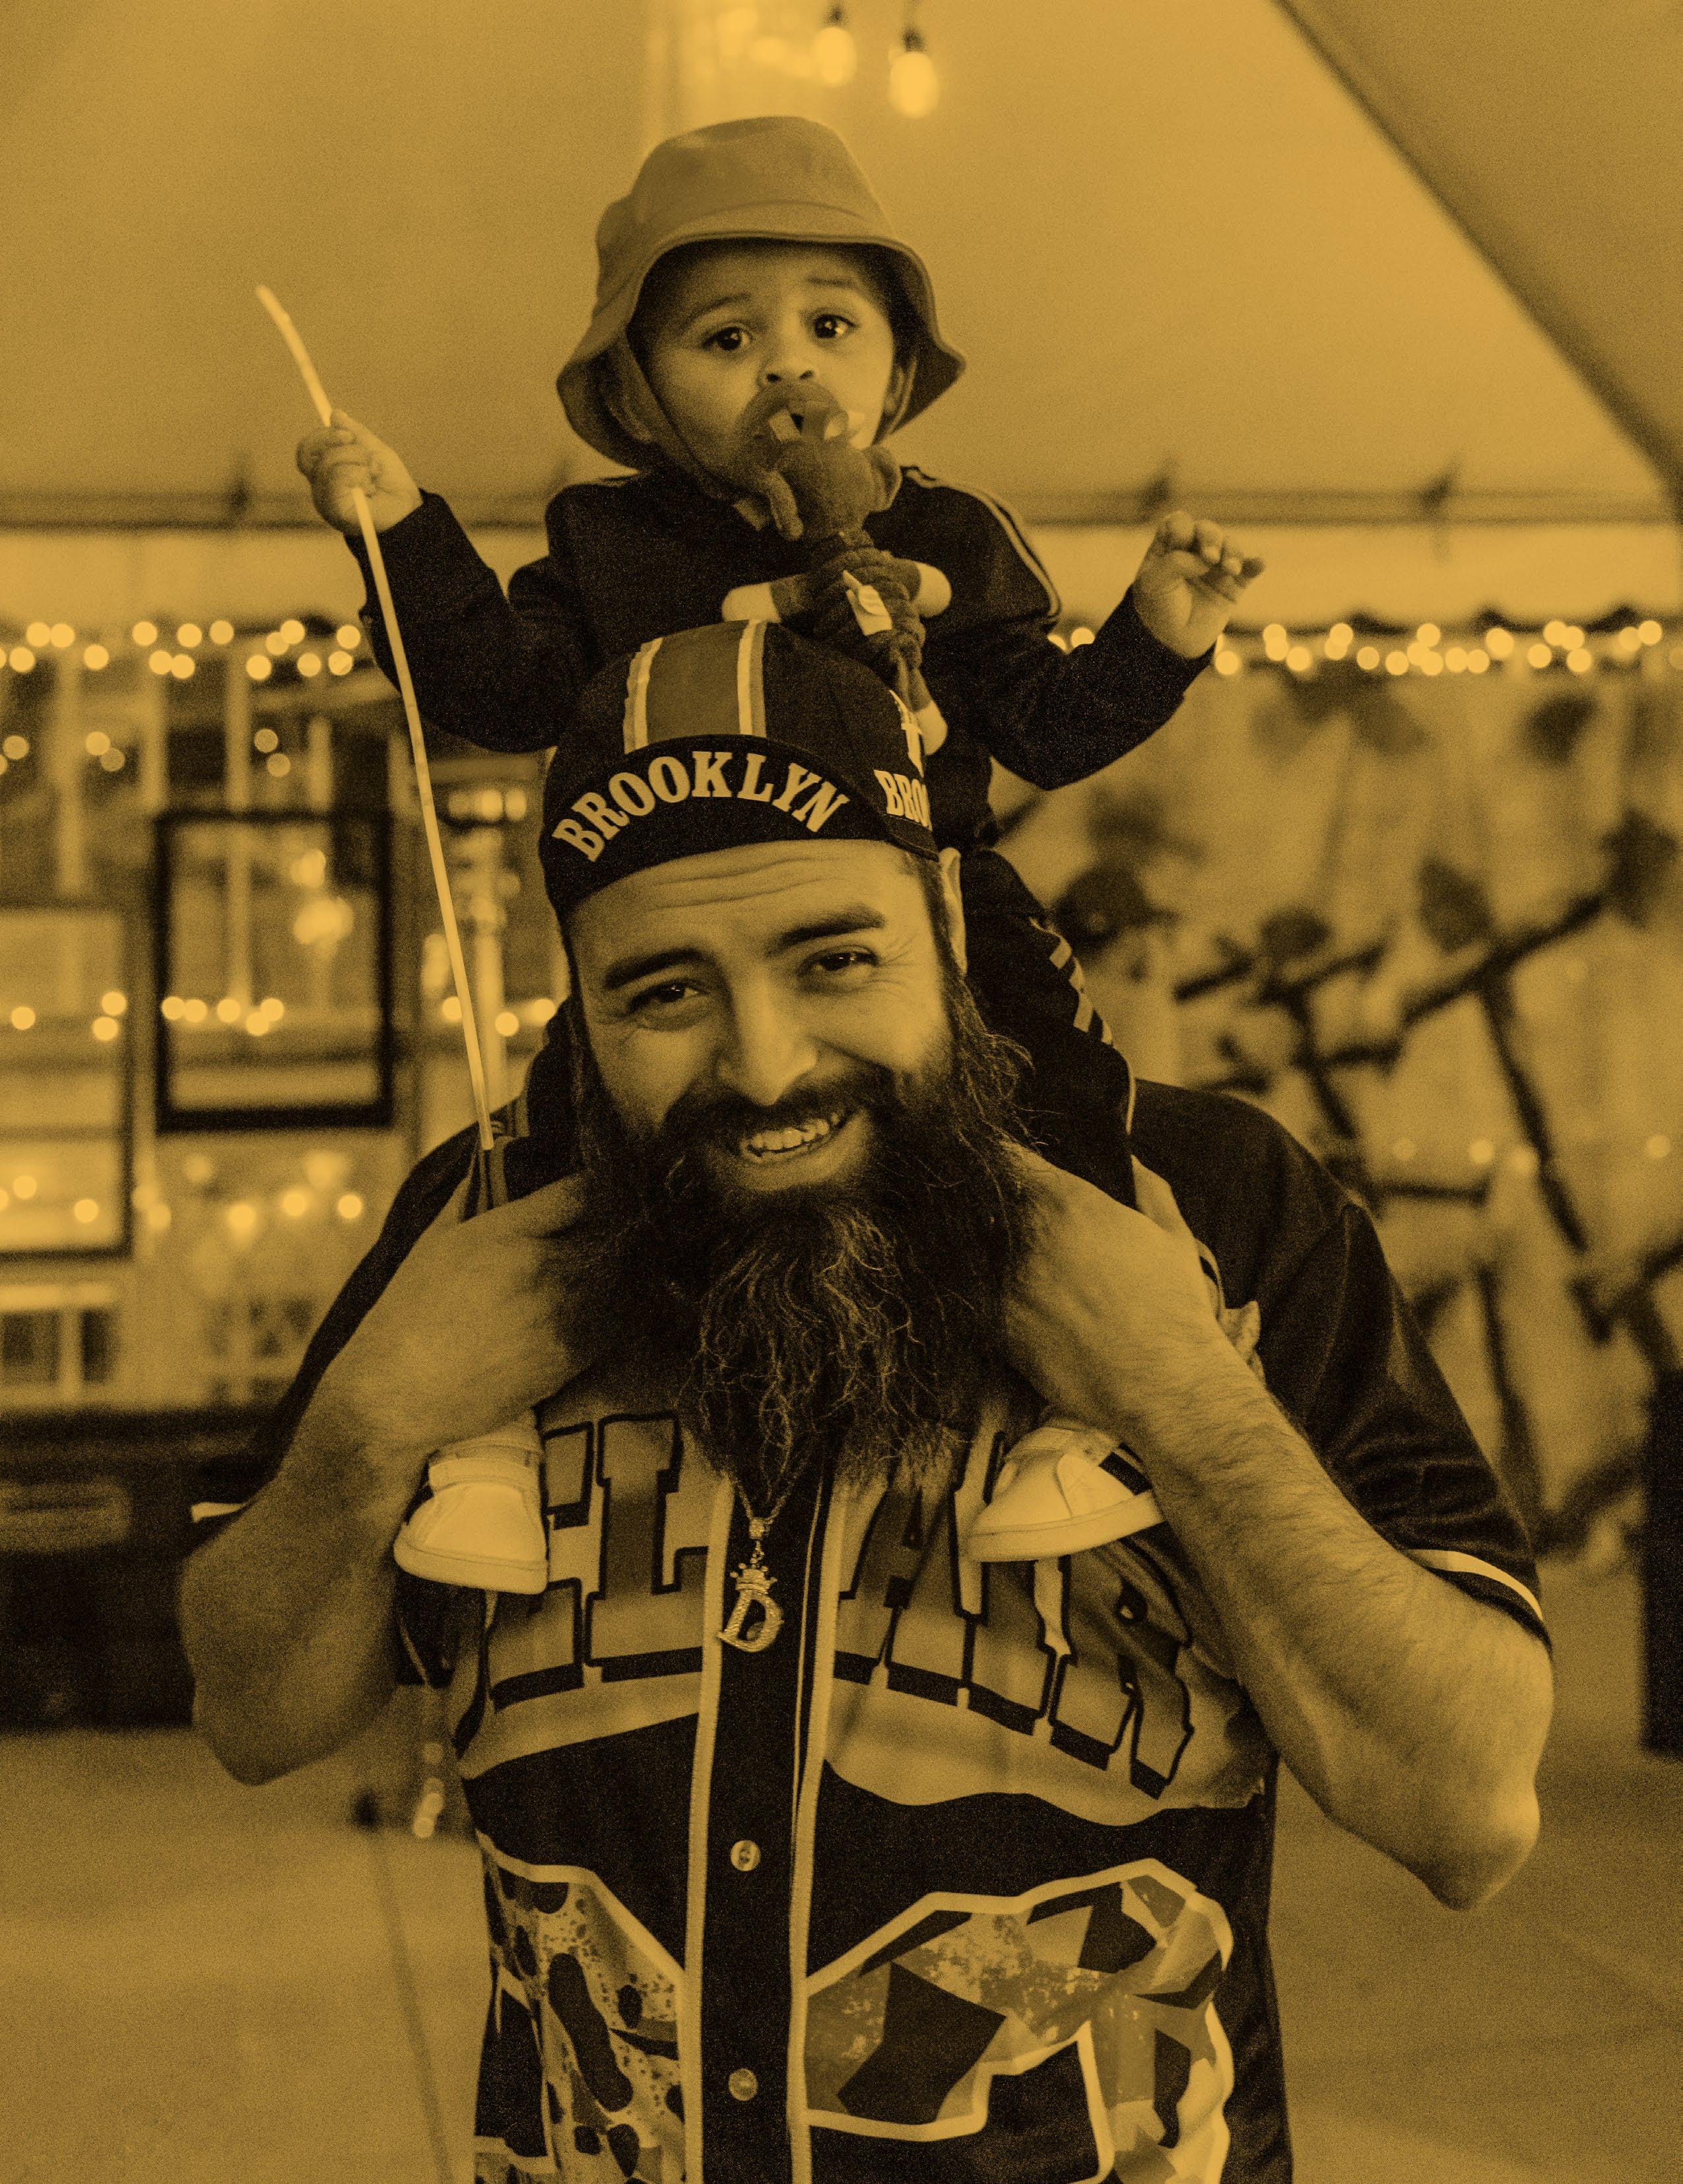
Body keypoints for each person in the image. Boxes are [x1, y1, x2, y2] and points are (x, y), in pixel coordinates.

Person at [182, 621, 1552, 2184]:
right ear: (578, 1000)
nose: (767, 1066)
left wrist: (1184, 1398)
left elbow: (1469, 1807)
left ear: (948, 930)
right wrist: (369, 1426)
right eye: (665, 992)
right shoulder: (488, 1225)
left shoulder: (1209, 1209)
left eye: (835, 959)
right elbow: (254, 1712)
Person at [291, 116, 1264, 1587]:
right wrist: (404, 538)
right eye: (727, 337)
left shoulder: (955, 534)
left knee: (1067, 1098)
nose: (787, 369)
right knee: (551, 1146)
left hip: (933, 903)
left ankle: (1095, 1411)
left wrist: (1158, 638)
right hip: (673, 929)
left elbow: (1043, 725)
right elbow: (497, 693)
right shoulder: (608, 544)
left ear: (899, 366)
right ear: (637, 389)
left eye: (831, 326)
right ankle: (487, 1447)